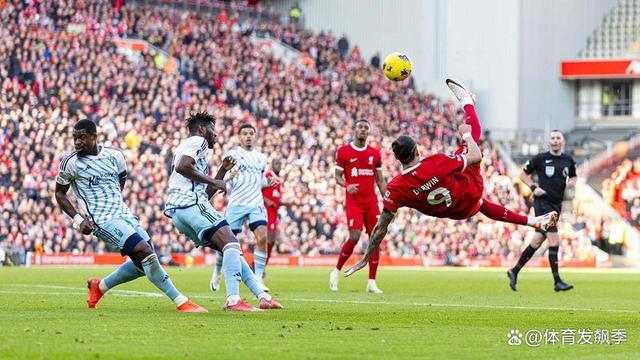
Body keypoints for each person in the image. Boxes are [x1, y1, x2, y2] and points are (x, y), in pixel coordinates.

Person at [344, 79, 558, 277]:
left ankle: (533, 222)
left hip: (456, 211)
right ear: (417, 151)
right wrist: (465, 134)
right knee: (471, 141)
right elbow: (475, 156)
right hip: (469, 191)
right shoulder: (435, 162)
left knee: (481, 203)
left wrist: (365, 257)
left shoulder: (395, 188)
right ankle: (468, 102)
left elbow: (381, 227)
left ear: (397, 158)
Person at [54, 119, 207, 313]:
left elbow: (122, 178)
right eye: (75, 138)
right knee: (145, 252)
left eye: (82, 138)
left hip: (124, 213)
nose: (77, 143)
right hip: (102, 221)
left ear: (94, 136)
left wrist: (115, 202)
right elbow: (59, 193)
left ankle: (99, 287)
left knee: (142, 261)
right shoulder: (70, 163)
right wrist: (78, 220)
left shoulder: (115, 155)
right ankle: (181, 301)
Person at [164, 112, 282, 311]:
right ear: (202, 129)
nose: (215, 135)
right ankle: (233, 299)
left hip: (179, 211)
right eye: (213, 130)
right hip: (190, 204)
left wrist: (221, 172)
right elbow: (182, 166)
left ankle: (262, 296)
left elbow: (207, 189)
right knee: (232, 243)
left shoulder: (190, 148)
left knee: (231, 249)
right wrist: (214, 180)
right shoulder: (198, 141)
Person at [210, 124, 278, 292]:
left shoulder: (261, 157)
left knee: (262, 238)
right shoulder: (232, 155)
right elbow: (222, 177)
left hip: (256, 203)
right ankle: (217, 271)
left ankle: (258, 278)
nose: (248, 136)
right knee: (225, 242)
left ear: (255, 136)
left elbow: (259, 180)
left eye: (251, 133)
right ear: (239, 137)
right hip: (237, 204)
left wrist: (267, 182)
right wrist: (228, 178)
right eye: (245, 134)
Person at [507, 130, 576, 292]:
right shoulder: (540, 158)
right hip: (542, 204)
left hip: (556, 204)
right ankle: (557, 281)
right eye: (552, 138)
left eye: (558, 138)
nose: (555, 140)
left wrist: (571, 183)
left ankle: (514, 270)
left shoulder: (568, 160)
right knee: (554, 240)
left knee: (537, 241)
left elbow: (573, 176)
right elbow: (523, 174)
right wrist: (533, 187)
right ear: (549, 141)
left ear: (563, 141)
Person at [329, 119, 387, 293]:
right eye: (360, 127)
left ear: (368, 132)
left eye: (365, 128)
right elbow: (338, 177)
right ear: (354, 130)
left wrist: (389, 200)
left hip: (371, 203)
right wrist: (347, 185)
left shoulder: (374, 154)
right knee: (354, 236)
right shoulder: (344, 152)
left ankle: (371, 282)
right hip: (354, 203)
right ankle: (336, 272)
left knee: (375, 238)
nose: (362, 130)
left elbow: (380, 180)